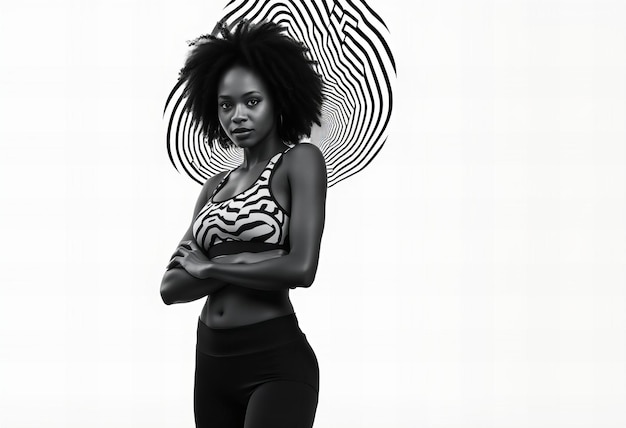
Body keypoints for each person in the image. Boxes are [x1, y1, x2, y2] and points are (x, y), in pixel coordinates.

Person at [160, 20, 326, 428]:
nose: (238, 116)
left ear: (279, 99)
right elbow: (170, 286)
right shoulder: (214, 186)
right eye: (226, 105)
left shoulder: (299, 162)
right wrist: (254, 260)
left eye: (252, 102)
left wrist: (213, 265)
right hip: (211, 365)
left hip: (275, 363)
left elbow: (301, 269)